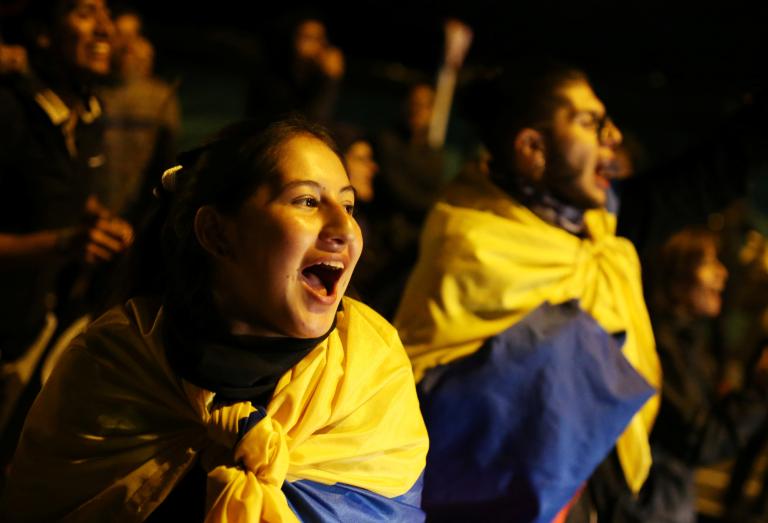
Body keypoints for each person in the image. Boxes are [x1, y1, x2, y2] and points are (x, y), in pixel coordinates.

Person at [2, 117, 429, 522]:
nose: (344, 228)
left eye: (349, 206)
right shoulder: (113, 364)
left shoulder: (371, 375)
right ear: (217, 233)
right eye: (307, 200)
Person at [394, 63, 661, 522]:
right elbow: (426, 403)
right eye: (590, 122)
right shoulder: (471, 242)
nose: (613, 136)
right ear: (532, 149)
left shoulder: (598, 239)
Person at [0, 0, 132, 447]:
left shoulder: (87, 111)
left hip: (31, 322)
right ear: (42, 33)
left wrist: (98, 218)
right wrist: (64, 244)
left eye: (106, 14)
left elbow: (63, 191)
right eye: (83, 12)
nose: (104, 28)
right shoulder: (10, 109)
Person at [638, 228, 768, 523]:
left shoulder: (686, 339)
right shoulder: (658, 346)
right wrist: (760, 390)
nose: (723, 273)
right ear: (678, 276)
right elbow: (702, 441)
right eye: (709, 263)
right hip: (650, 506)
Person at [245, 14, 344, 125]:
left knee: (356, 137)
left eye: (320, 39)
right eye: (308, 38)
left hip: (299, 132)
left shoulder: (314, 78)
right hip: (273, 134)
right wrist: (331, 80)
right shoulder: (271, 78)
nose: (316, 46)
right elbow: (309, 123)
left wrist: (331, 78)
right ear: (289, 39)